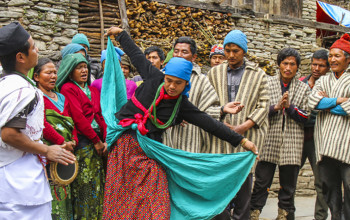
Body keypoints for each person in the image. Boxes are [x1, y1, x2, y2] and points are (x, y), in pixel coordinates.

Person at [103, 26, 258, 220]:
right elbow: (135, 54)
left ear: (187, 84)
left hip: (150, 151)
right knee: (124, 197)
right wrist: (121, 34)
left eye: (178, 83)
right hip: (125, 146)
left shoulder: (181, 105)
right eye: (169, 80)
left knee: (156, 193)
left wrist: (243, 142)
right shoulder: (153, 77)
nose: (171, 86)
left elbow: (209, 123)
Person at [0, 22, 75, 219]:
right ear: (20, 57)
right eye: (33, 46)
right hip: (19, 184)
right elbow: (9, 134)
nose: (37, 50)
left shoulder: (5, 83)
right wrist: (47, 149)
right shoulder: (22, 90)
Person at [207, 30, 269, 220]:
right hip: (219, 138)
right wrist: (220, 119)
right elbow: (207, 102)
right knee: (220, 187)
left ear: (244, 51)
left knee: (243, 190)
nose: (231, 55)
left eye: (236, 51)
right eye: (227, 50)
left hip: (246, 139)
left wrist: (242, 127)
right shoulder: (214, 72)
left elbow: (264, 105)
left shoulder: (258, 75)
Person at [250, 48, 310, 220]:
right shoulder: (267, 84)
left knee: (288, 185)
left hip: (293, 142)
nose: (288, 67)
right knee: (261, 182)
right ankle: (254, 212)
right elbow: (257, 110)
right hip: (268, 141)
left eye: (292, 64)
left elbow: (306, 116)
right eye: (285, 63)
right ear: (279, 65)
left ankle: (284, 215)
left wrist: (290, 108)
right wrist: (275, 107)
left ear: (298, 67)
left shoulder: (303, 89)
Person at [57, 53, 107, 219]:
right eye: (79, 67)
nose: (84, 70)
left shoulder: (92, 90)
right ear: (70, 72)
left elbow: (100, 115)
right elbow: (79, 118)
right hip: (85, 142)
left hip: (98, 143)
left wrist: (105, 140)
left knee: (97, 184)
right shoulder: (68, 89)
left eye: (85, 66)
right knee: (85, 185)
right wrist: (96, 141)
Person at [309, 33, 350, 220]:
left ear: (348, 59)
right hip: (325, 145)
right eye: (331, 56)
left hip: (346, 146)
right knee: (328, 187)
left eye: (337, 55)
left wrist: (327, 103)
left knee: (349, 187)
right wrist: (338, 101)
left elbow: (347, 109)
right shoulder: (324, 79)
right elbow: (313, 102)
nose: (332, 60)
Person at [33, 57, 78, 220]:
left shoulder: (62, 98)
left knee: (66, 191)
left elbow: (71, 121)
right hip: (50, 152)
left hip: (66, 152)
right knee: (52, 193)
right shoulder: (36, 97)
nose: (53, 76)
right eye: (48, 72)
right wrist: (61, 142)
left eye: (55, 73)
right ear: (36, 76)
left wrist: (73, 140)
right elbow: (42, 124)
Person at [163, 36, 221, 153]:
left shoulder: (202, 81)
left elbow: (211, 110)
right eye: (176, 51)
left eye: (184, 52)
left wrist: (222, 110)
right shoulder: (162, 76)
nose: (179, 55)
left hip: (190, 140)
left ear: (194, 57)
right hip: (164, 139)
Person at [299, 49, 329, 220]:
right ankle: (287, 213)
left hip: (318, 139)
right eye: (314, 64)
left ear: (327, 68)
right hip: (298, 136)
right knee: (289, 177)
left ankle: (320, 217)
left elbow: (325, 111)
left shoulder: (328, 86)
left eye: (321, 66)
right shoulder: (301, 82)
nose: (316, 68)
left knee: (321, 182)